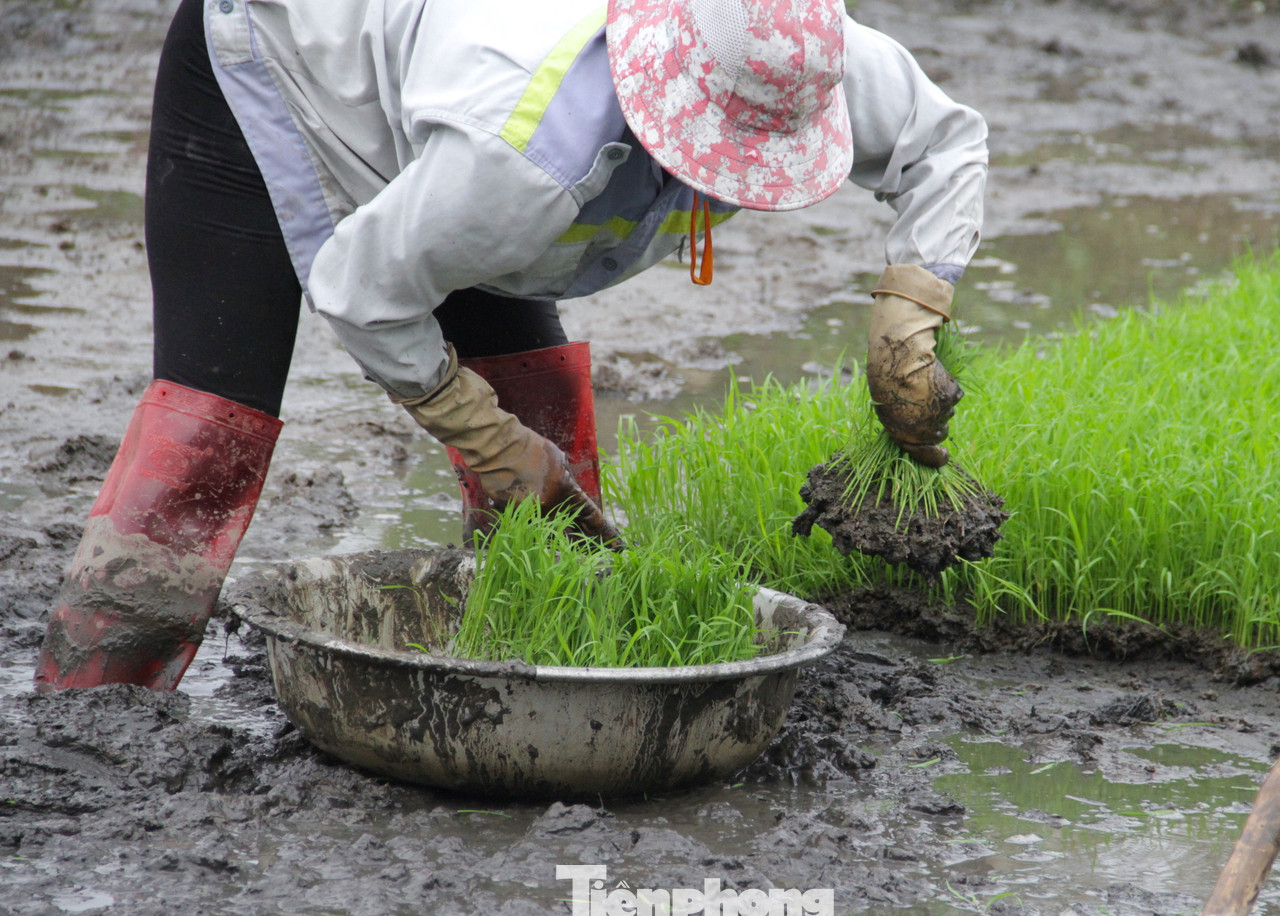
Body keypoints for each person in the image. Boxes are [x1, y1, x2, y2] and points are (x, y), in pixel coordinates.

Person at [34, 0, 987, 691]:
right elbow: (360, 291)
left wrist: (908, 317)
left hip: (441, 109)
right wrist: (484, 438)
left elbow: (946, 144)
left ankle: (531, 680)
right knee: (211, 426)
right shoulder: (523, 154)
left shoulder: (785, 46)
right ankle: (95, 702)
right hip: (278, 55)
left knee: (547, 443)